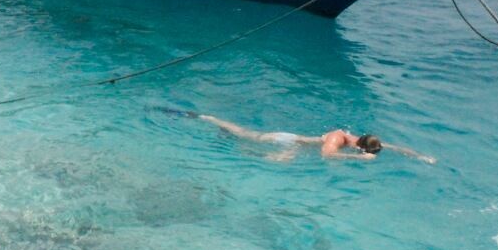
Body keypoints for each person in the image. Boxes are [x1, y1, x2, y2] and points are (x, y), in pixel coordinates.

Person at [176, 111, 436, 163]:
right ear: (360, 148)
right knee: (248, 136)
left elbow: (390, 146)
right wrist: (360, 161)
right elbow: (327, 155)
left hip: (297, 146)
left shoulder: (361, 139)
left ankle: (226, 135)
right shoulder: (337, 138)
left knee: (278, 161)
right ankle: (208, 118)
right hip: (285, 139)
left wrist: (420, 156)